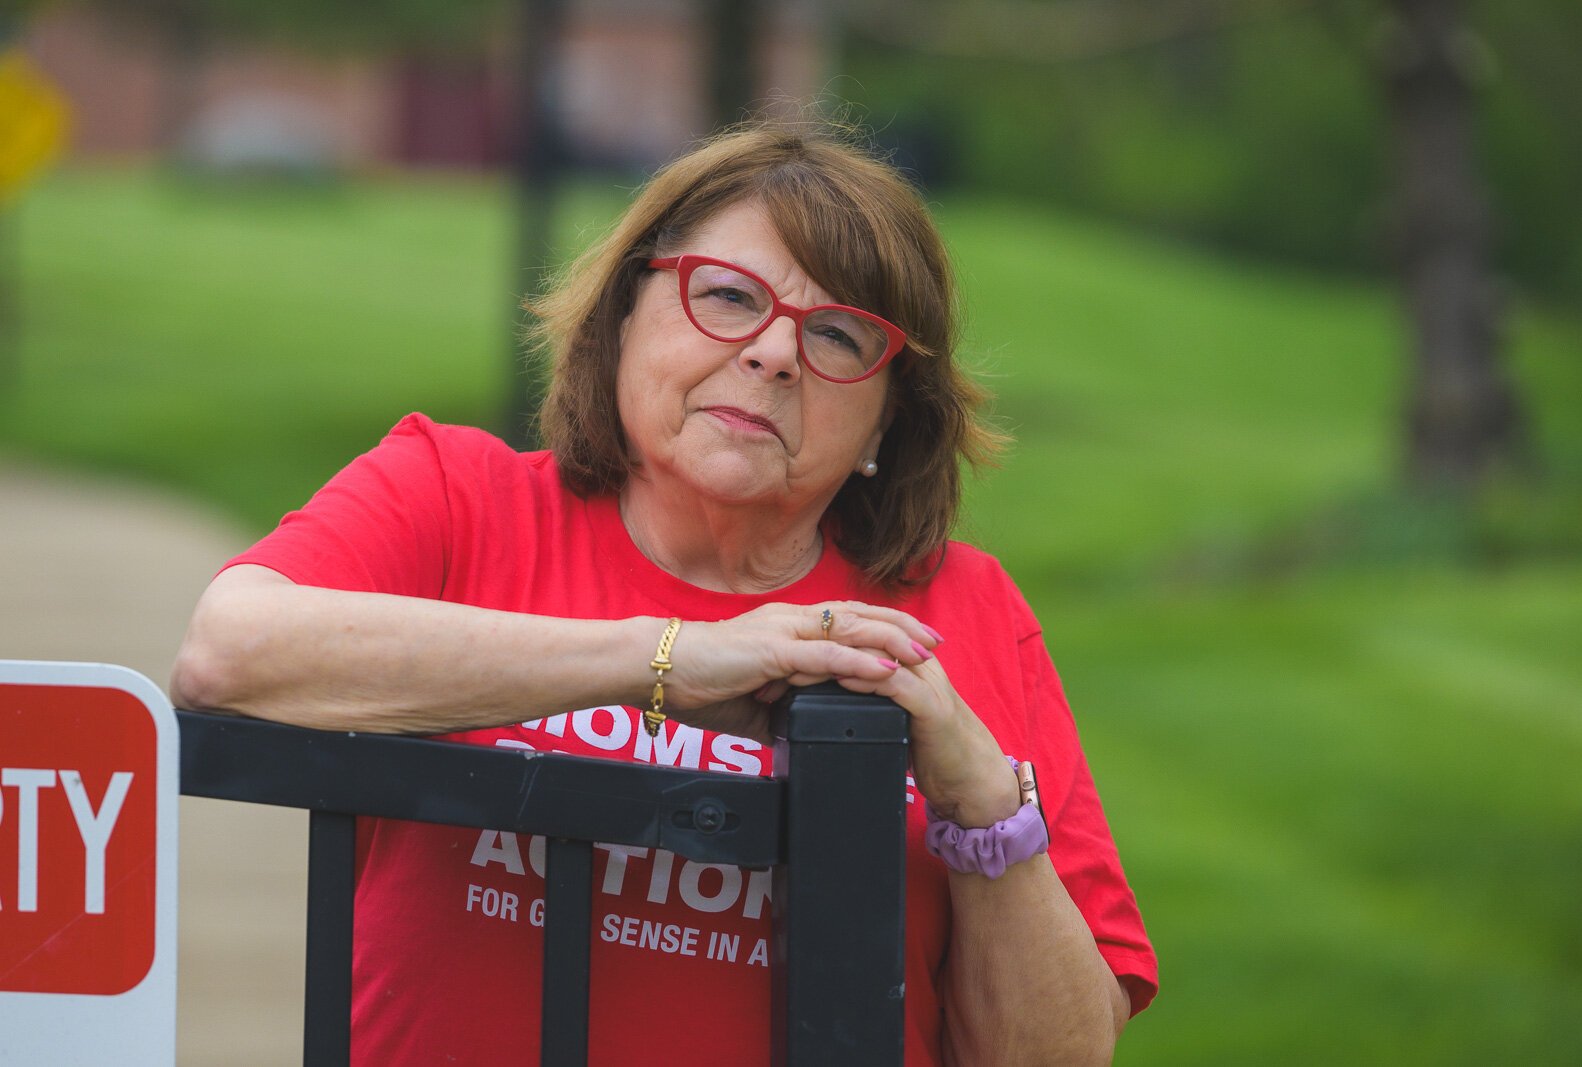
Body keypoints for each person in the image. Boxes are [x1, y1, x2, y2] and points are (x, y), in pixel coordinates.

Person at [172, 120, 1157, 1065]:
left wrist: (979, 796)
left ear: (889, 420)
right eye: (727, 296)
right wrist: (666, 659)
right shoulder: (453, 495)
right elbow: (230, 651)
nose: (773, 352)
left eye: (840, 335)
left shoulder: (959, 614)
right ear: (624, 312)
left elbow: (1060, 1053)